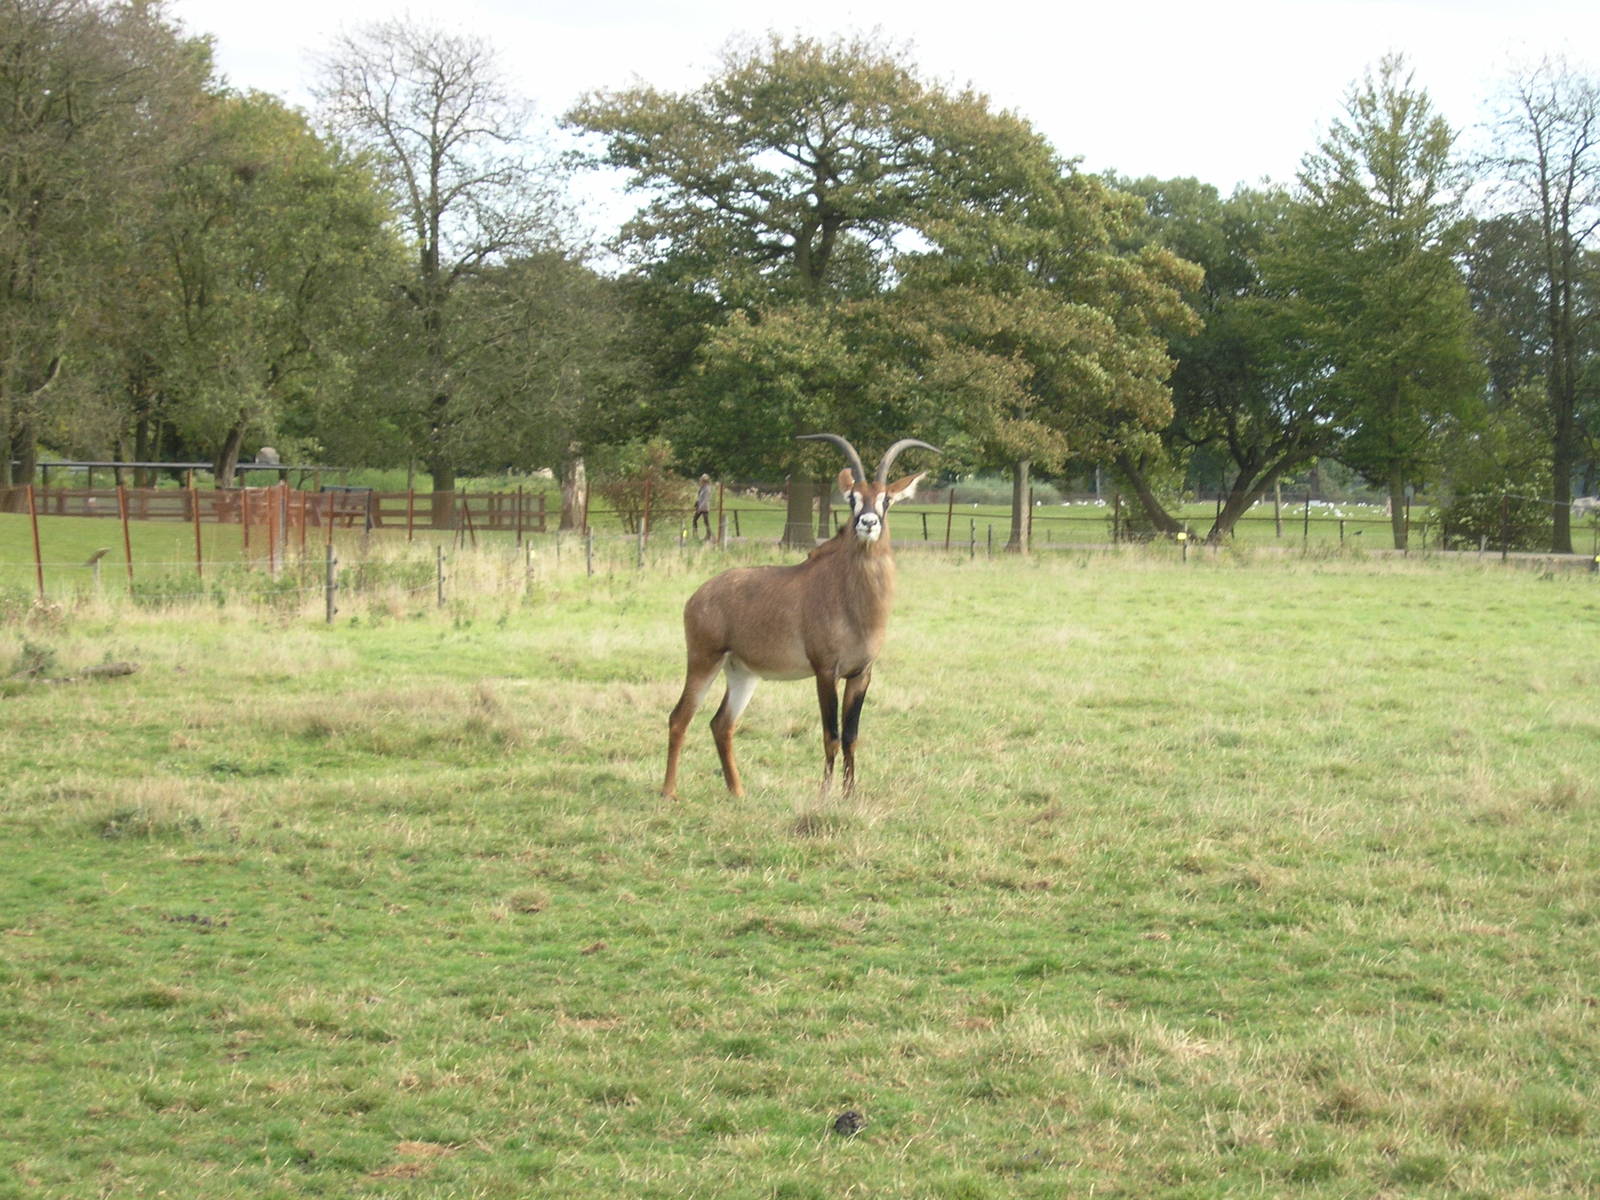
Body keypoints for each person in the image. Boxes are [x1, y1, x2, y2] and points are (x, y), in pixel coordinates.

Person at [693, 473, 713, 540]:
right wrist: (697, 502)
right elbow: (700, 497)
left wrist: (700, 508)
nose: (701, 481)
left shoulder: (707, 488)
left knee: (704, 521)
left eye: (702, 480)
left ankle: (708, 535)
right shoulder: (702, 488)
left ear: (705, 481)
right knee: (697, 520)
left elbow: (705, 499)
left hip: (704, 507)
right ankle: (696, 535)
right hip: (700, 506)